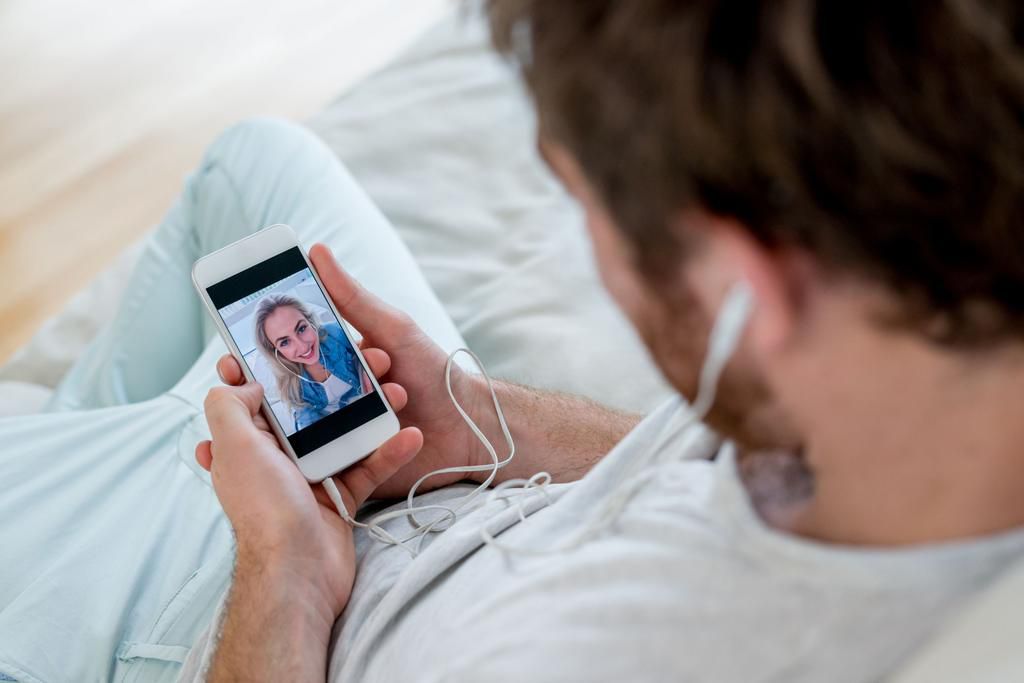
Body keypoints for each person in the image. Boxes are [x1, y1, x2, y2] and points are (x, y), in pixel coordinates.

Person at [3, 2, 1024, 683]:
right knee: (258, 160)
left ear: (743, 287)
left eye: (587, 208)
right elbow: (716, 478)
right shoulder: (917, 417)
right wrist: (486, 416)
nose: (592, 241)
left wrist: (284, 569)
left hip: (238, 609)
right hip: (425, 478)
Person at [253, 294, 367, 430]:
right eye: (285, 342)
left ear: (310, 321)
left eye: (301, 329)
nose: (302, 346)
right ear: (275, 351)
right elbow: (307, 423)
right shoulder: (291, 385)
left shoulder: (335, 333)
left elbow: (365, 354)